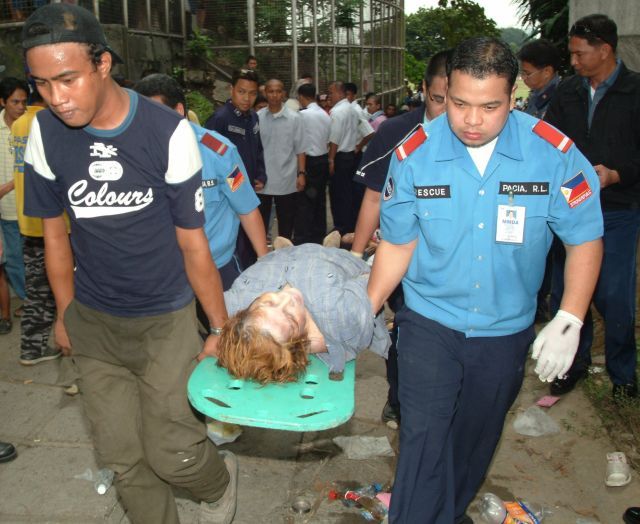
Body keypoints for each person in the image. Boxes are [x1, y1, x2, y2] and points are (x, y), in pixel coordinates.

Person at [367, 36, 603, 523]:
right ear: (443, 92)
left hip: (504, 331)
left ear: (514, 96)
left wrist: (570, 318)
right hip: (429, 322)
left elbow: (584, 238)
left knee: (472, 445)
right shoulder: (415, 155)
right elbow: (397, 244)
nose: (472, 121)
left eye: (490, 106)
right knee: (422, 441)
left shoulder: (552, 154)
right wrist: (362, 308)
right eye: (459, 104)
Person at [21, 4, 236, 523]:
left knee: (173, 451)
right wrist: (67, 313)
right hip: (95, 320)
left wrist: (220, 327)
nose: (56, 98)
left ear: (103, 64)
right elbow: (54, 237)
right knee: (123, 459)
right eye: (42, 85)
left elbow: (194, 245)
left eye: (67, 79)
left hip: (165, 320)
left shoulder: (167, 133)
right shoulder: (44, 134)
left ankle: (216, 485)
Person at [352, 49, 450, 429]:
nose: (445, 111)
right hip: (400, 257)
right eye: (438, 99)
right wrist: (356, 256)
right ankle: (398, 399)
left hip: (449, 260)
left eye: (453, 99)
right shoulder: (395, 133)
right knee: (406, 331)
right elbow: (373, 196)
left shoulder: (473, 136)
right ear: (424, 90)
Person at [544, 14, 640, 400]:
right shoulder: (568, 92)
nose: (575, 62)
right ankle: (571, 365)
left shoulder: (635, 92)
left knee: (614, 296)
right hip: (569, 210)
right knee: (566, 290)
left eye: (580, 54)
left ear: (605, 49)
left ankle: (623, 375)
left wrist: (617, 175)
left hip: (617, 209)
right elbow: (549, 142)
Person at [134, 73, 268, 292]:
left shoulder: (220, 153)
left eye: (153, 114)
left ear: (178, 111)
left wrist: (265, 261)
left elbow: (247, 208)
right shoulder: (135, 156)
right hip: (164, 270)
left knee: (226, 325)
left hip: (217, 264)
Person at [218, 243, 390, 382]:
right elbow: (377, 279)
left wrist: (216, 331)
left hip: (281, 258)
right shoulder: (341, 314)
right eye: (290, 318)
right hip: (334, 260)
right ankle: (336, 245)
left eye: (269, 303)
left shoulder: (236, 301)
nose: (286, 298)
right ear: (301, 344)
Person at [11, 85, 65, 364]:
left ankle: (30, 349)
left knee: (37, 291)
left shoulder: (19, 124)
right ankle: (68, 346)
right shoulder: (51, 124)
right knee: (66, 290)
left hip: (28, 221)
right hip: (58, 224)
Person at [205, 68, 266, 270]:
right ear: (231, 89)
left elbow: (258, 148)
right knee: (234, 241)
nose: (247, 98)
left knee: (251, 240)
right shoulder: (220, 119)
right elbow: (208, 160)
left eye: (252, 93)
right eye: (241, 91)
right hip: (228, 193)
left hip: (248, 189)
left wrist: (260, 174)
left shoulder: (254, 118)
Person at [255, 79, 306, 242]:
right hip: (262, 181)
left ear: (283, 93)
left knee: (286, 226)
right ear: (265, 93)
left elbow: (300, 149)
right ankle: (261, 259)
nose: (274, 95)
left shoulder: (295, 118)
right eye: (271, 91)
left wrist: (301, 173)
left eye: (278, 91)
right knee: (260, 226)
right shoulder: (256, 118)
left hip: (286, 180)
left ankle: (285, 261)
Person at [0, 77, 28, 309]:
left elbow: (33, 168)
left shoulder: (32, 126)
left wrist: (8, 187)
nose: (20, 107)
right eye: (14, 102)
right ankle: (28, 299)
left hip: (31, 207)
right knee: (13, 260)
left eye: (23, 102)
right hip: (6, 210)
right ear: (2, 102)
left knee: (38, 258)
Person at [296, 82, 331, 244]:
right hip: (323, 159)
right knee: (320, 200)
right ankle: (319, 234)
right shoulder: (325, 114)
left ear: (301, 97)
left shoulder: (302, 115)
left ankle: (304, 237)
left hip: (309, 161)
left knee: (306, 201)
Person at [518, 39, 562, 119]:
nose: (524, 78)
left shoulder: (560, 99)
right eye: (522, 73)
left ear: (547, 72)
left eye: (528, 74)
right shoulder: (537, 92)